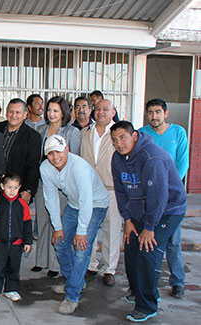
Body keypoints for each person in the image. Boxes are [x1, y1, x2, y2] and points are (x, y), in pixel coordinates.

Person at [110, 121, 186, 322]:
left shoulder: (152, 157)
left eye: (123, 137)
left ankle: (147, 305)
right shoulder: (117, 159)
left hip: (168, 209)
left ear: (134, 135)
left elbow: (158, 196)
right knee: (132, 247)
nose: (119, 143)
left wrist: (150, 227)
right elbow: (121, 191)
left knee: (147, 250)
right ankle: (138, 291)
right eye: (115, 140)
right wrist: (127, 219)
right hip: (139, 211)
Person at [41, 134, 109, 315]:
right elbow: (51, 198)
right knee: (60, 241)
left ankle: (72, 295)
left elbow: (87, 200)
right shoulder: (46, 168)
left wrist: (82, 231)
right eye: (50, 153)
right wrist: (58, 227)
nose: (56, 157)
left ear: (67, 150)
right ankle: (75, 280)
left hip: (95, 204)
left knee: (81, 249)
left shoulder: (78, 167)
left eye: (59, 152)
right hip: (74, 205)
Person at [139, 98, 188, 299]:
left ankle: (178, 281)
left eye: (158, 112)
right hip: (149, 197)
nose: (154, 116)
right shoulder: (142, 134)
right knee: (151, 242)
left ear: (165, 113)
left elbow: (182, 164)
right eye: (150, 112)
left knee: (173, 241)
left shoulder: (178, 133)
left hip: (172, 198)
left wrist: (168, 189)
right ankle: (152, 282)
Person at [31, 96, 80, 277]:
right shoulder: (41, 129)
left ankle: (54, 264)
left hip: (62, 184)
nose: (51, 114)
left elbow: (74, 159)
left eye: (56, 111)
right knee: (42, 221)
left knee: (57, 222)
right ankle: (41, 260)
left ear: (64, 112)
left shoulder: (71, 132)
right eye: (49, 110)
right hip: (43, 181)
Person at [81, 99, 122, 287]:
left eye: (105, 109)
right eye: (97, 109)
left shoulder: (118, 134)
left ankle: (109, 269)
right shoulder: (85, 133)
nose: (101, 113)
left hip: (112, 188)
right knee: (89, 229)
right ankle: (90, 265)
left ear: (113, 112)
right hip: (89, 189)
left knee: (111, 229)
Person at [0, 173, 32, 303]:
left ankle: (10, 289)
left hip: (16, 243)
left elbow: (27, 223)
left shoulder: (22, 205)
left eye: (15, 188)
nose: (12, 191)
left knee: (14, 267)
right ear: (2, 186)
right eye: (9, 187)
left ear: (19, 188)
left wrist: (27, 241)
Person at [0, 98, 41, 205]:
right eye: (11, 111)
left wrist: (29, 190)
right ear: (6, 113)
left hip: (17, 190)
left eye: (18, 112)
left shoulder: (33, 137)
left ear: (25, 115)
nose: (14, 115)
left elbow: (33, 165)